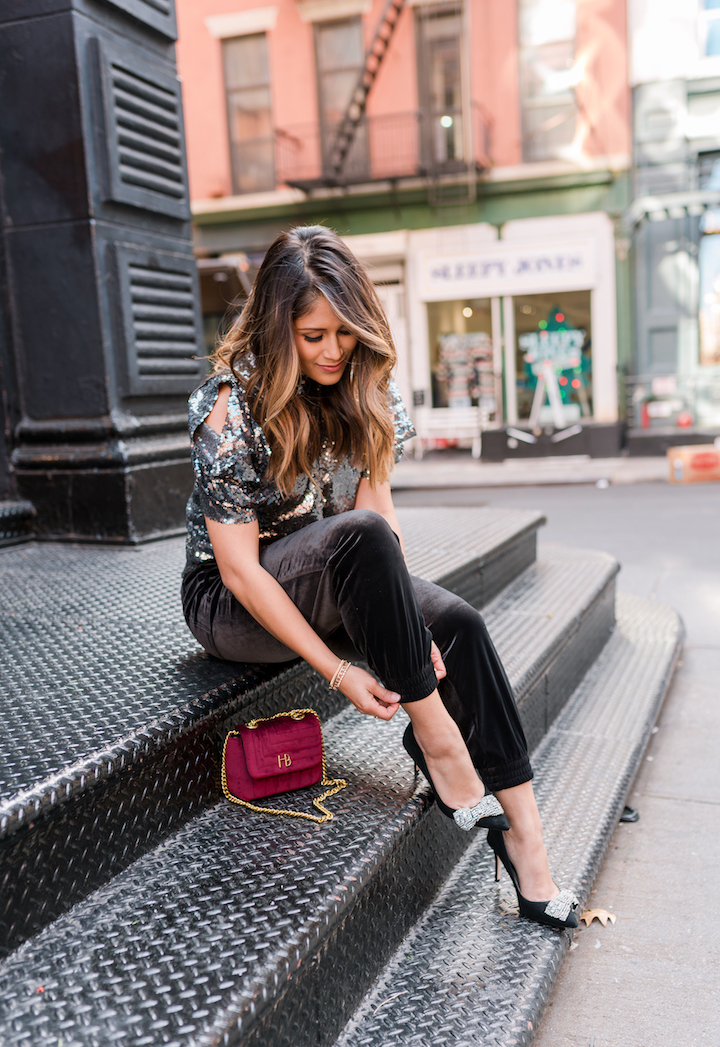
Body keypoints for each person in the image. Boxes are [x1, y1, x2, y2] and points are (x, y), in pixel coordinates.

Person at [181, 225, 578, 930]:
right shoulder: (229, 408)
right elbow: (241, 571)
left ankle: (529, 847)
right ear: (279, 331)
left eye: (344, 332)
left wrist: (406, 621)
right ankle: (438, 741)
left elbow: (379, 516)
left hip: (337, 568)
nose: (333, 351)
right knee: (357, 542)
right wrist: (337, 671)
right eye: (313, 336)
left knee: (457, 624)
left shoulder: (364, 388)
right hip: (233, 602)